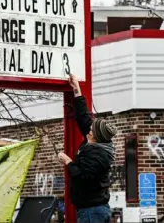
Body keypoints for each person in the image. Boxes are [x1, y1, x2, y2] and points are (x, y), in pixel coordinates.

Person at [58, 74, 117, 223]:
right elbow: (84, 117)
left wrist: (68, 162)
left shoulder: (97, 155)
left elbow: (83, 178)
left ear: (93, 134)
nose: (89, 125)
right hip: (92, 209)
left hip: (92, 212)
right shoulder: (96, 142)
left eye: (91, 127)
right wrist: (77, 91)